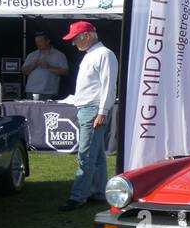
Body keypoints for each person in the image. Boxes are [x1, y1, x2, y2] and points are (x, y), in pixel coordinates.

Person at [57, 21, 119, 212]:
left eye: (76, 39)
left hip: (92, 110)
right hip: (88, 108)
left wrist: (102, 111)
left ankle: (78, 196)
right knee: (96, 155)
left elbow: (109, 86)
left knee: (86, 155)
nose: (74, 43)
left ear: (87, 35)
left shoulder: (104, 54)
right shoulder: (93, 55)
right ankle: (99, 192)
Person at [21, 31, 69, 99]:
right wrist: (33, 65)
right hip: (31, 91)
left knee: (48, 110)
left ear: (48, 41)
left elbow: (65, 72)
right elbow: (24, 71)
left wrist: (49, 67)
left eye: (40, 41)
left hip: (49, 92)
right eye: (36, 42)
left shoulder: (59, 55)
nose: (38, 44)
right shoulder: (32, 55)